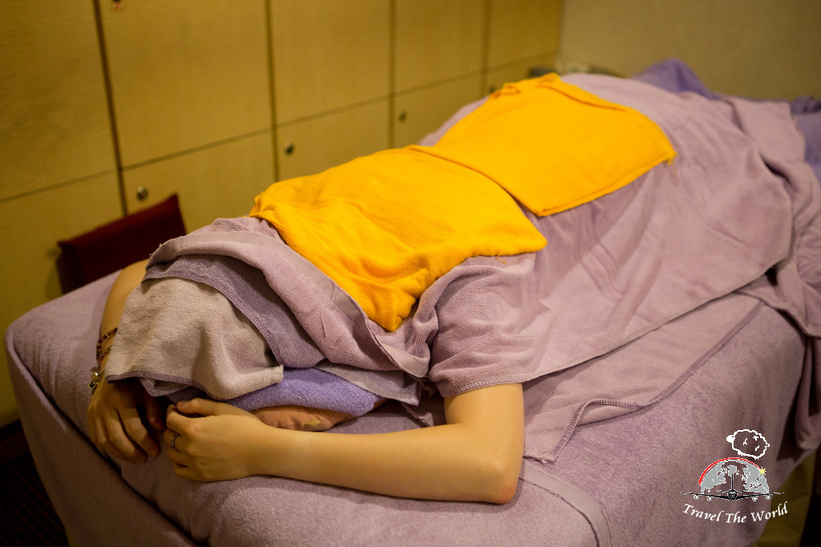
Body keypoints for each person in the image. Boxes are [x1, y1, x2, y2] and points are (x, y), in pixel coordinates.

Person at [87, 261, 524, 505]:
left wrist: (264, 451)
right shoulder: (297, 222)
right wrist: (116, 366)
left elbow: (491, 464)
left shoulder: (474, 267)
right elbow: (141, 269)